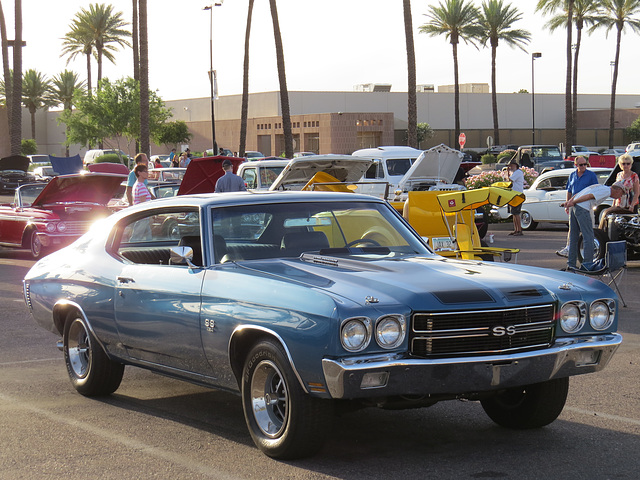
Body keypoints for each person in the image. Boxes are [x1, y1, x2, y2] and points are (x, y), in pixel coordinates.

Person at [560, 181, 626, 270]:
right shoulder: (607, 191)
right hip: (583, 208)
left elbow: (578, 193)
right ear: (618, 190)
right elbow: (589, 196)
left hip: (574, 207)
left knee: (573, 236)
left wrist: (569, 202)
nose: (620, 196)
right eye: (621, 193)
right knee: (589, 237)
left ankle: (571, 264)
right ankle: (587, 265)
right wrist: (573, 202)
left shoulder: (599, 186)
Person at [556, 156, 599, 257]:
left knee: (588, 228)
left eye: (585, 164)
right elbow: (570, 190)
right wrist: (567, 204)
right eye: (581, 165)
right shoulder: (572, 175)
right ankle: (569, 248)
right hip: (573, 205)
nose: (583, 166)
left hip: (586, 206)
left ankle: (590, 250)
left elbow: (595, 190)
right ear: (576, 165)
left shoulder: (591, 175)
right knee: (572, 229)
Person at [598, 153, 639, 228]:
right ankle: (603, 230)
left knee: (608, 213)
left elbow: (637, 193)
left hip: (629, 204)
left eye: (628, 164)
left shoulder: (634, 176)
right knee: (607, 214)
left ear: (631, 164)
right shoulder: (619, 175)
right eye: (623, 164)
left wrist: (632, 205)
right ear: (620, 165)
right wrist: (614, 204)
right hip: (619, 203)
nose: (626, 166)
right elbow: (615, 191)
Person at [507, 159, 525, 236]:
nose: (510, 167)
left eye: (511, 165)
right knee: (514, 213)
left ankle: (519, 230)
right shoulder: (515, 173)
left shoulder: (518, 172)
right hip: (514, 195)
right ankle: (516, 229)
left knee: (516, 213)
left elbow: (510, 179)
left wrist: (507, 172)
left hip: (517, 195)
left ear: (516, 166)